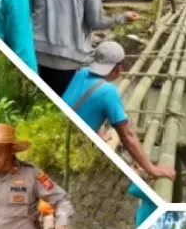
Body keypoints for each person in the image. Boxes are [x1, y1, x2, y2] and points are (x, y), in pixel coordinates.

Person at [62, 41, 177, 182]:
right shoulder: (108, 92)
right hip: (74, 151)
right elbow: (127, 136)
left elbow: (79, 107)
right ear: (119, 69)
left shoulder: (81, 73)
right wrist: (153, 169)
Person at [30, 0, 138, 96]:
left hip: (37, 55)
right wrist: (123, 18)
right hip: (69, 60)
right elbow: (96, 22)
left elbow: (29, 12)